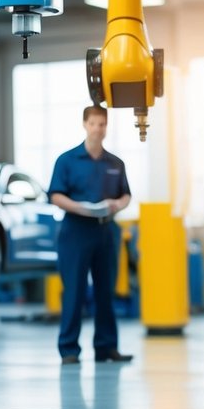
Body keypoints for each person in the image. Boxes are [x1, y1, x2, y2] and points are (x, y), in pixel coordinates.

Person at [49, 105, 132, 366]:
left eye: (102, 124)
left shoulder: (115, 164)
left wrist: (118, 205)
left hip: (106, 230)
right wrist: (81, 208)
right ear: (85, 124)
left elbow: (126, 194)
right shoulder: (67, 160)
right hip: (75, 231)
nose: (98, 129)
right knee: (74, 290)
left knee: (106, 290)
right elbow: (55, 195)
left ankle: (106, 348)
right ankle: (69, 349)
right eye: (94, 123)